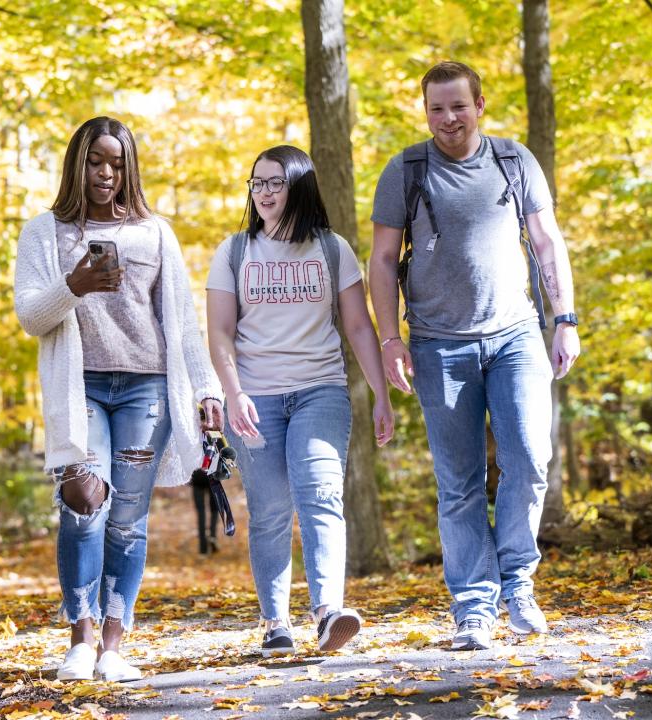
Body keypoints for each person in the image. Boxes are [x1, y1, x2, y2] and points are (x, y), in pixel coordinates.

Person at [367, 61, 581, 650]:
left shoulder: (514, 162)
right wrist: (391, 339)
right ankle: (474, 606)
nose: (448, 119)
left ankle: (517, 584)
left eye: (458, 106)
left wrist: (564, 320)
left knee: (530, 461)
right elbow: (383, 260)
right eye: (436, 108)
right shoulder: (405, 170)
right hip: (438, 346)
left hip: (516, 337)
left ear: (480, 105)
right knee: (458, 483)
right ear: (426, 111)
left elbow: (546, 242)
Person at [14, 116, 224, 681]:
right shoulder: (45, 231)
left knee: (128, 522)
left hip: (147, 389)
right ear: (76, 164)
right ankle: (78, 640)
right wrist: (73, 285)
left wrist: (206, 389)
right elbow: (31, 316)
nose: (105, 173)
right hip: (78, 387)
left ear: (129, 168)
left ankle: (113, 645)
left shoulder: (155, 232)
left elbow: (181, 325)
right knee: (83, 506)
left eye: (115, 163)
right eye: (94, 161)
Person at [206, 145, 394, 657]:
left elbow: (358, 326)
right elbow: (219, 333)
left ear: (299, 186)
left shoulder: (332, 250)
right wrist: (233, 391)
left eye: (275, 182)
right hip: (255, 396)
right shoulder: (234, 252)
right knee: (268, 510)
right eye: (257, 183)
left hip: (320, 390)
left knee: (320, 494)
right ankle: (275, 624)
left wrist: (381, 393)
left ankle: (328, 611)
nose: (264, 193)